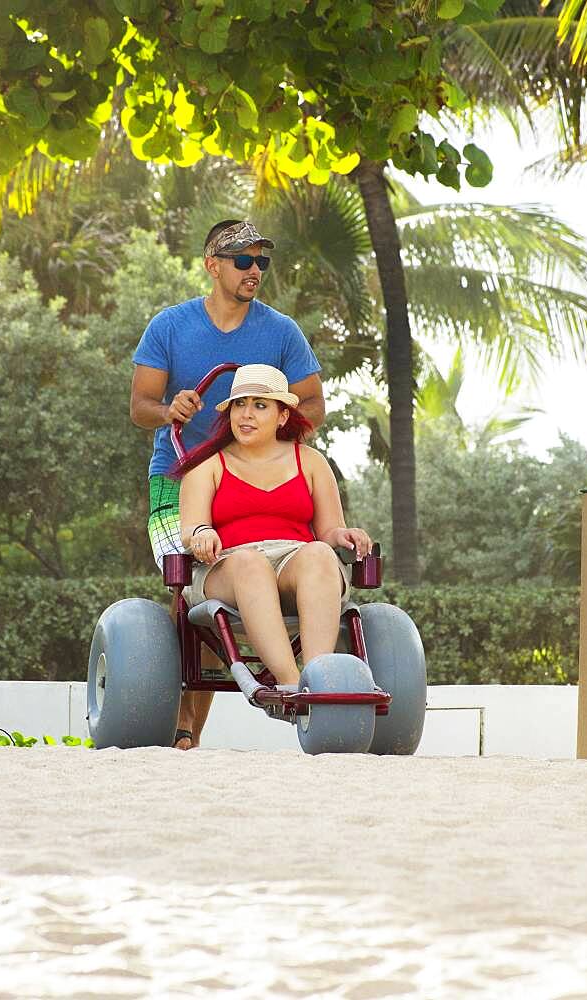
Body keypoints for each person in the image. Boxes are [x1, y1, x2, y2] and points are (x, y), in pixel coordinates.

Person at [130, 219, 325, 748]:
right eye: (244, 260)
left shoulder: (282, 332)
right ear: (212, 264)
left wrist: (266, 434)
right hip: (178, 482)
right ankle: (185, 728)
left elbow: (312, 406)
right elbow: (140, 407)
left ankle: (318, 686)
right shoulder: (170, 327)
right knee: (194, 586)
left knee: (284, 569)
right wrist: (171, 406)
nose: (255, 270)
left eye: (263, 260)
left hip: (258, 481)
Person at [177, 364, 372, 686]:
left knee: (321, 553)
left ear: (282, 416)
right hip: (227, 565)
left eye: (260, 405)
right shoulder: (207, 466)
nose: (246, 415)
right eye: (239, 404)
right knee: (251, 564)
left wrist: (344, 535)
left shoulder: (310, 461)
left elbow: (329, 531)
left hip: (292, 562)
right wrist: (201, 533)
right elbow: (191, 527)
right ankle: (293, 686)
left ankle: (320, 680)